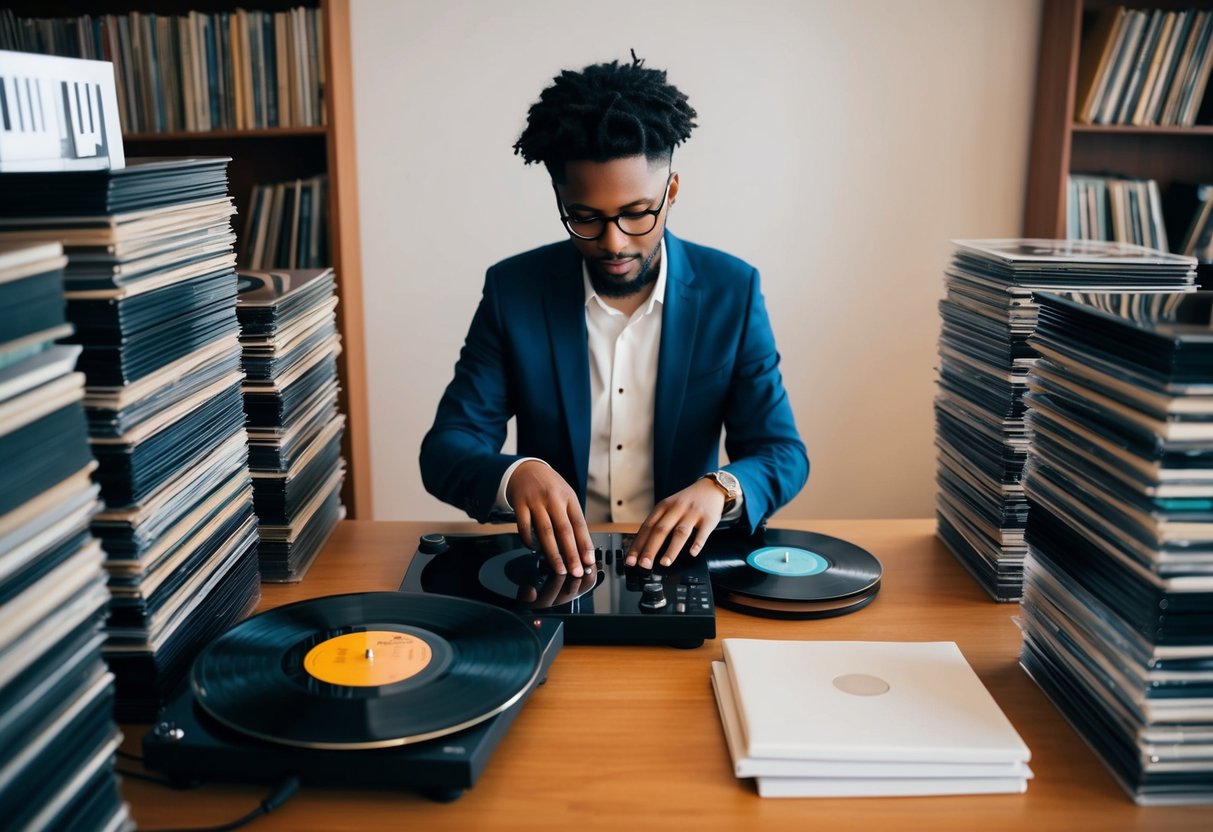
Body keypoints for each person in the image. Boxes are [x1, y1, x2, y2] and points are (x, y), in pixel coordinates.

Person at [420, 54, 807, 579]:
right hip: (553, 573)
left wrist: (722, 487)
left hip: (684, 568)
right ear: (560, 198)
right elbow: (446, 449)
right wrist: (516, 474)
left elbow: (780, 451)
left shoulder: (732, 291)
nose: (613, 242)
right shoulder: (513, 291)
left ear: (670, 193)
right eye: (586, 218)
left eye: (637, 213)